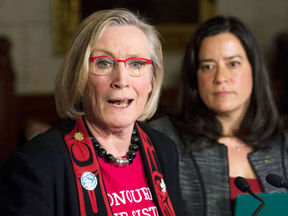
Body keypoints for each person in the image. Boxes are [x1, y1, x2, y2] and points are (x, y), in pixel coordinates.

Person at [0, 9, 182, 216]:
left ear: (152, 79)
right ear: (80, 77)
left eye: (136, 64)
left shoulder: (164, 149)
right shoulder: (37, 164)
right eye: (104, 63)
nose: (121, 80)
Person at [147, 16, 288, 216]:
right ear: (194, 76)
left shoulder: (282, 141)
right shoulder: (160, 138)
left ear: (254, 69)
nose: (220, 78)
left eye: (233, 64)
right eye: (208, 66)